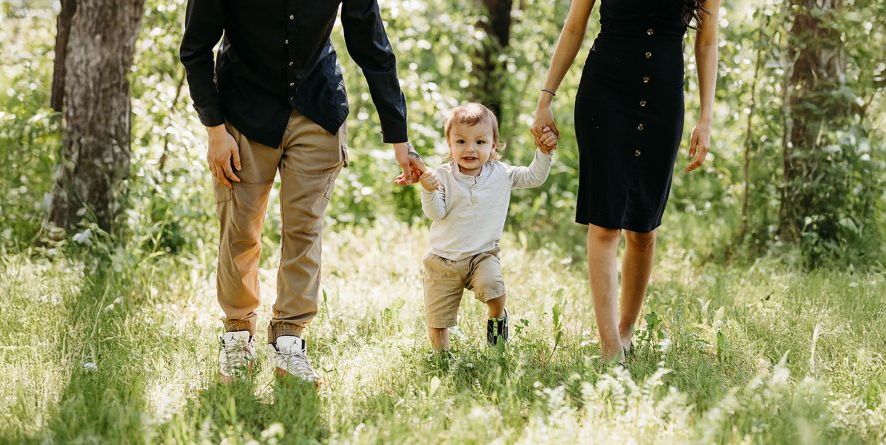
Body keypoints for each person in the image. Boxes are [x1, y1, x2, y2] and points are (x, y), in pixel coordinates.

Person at [180, 0, 426, 384]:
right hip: (243, 110)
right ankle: (238, 335)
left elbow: (371, 43)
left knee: (304, 229)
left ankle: (289, 341)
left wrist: (399, 137)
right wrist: (214, 129)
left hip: (318, 108)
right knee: (240, 229)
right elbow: (196, 48)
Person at [531, 0, 719, 364]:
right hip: (605, 95)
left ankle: (626, 332)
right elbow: (574, 26)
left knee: (644, 228)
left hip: (664, 99)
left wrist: (706, 117)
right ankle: (611, 349)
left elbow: (708, 41)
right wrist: (544, 101)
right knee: (605, 224)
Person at [414, 103, 556, 351]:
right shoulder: (443, 176)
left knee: (495, 291)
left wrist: (543, 153)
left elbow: (534, 177)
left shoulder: (502, 174)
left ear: (493, 145)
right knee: (438, 321)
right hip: (442, 260)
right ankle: (442, 360)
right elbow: (436, 212)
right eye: (461, 141)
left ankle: (497, 325)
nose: (470, 148)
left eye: (480, 142)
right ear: (449, 144)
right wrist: (428, 190)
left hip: (482, 255)